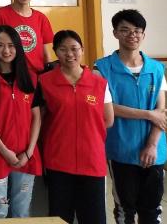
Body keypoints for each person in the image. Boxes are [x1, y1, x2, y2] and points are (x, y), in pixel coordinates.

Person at [95, 10, 167, 224]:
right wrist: (147, 114)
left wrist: (152, 146)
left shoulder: (156, 69)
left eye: (137, 31)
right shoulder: (102, 68)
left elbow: (161, 112)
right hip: (121, 150)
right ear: (115, 33)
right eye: (125, 30)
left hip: (154, 151)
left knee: (152, 210)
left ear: (143, 34)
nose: (132, 35)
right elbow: (105, 108)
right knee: (124, 210)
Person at [40, 30, 114, 224]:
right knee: (60, 217)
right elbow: (39, 119)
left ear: (82, 50)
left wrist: (88, 134)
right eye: (63, 49)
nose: (69, 54)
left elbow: (108, 119)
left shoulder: (99, 83)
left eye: (74, 48)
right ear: (55, 52)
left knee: (93, 217)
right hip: (58, 160)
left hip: (92, 161)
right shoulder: (45, 82)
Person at [0, 25, 43, 218]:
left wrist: (29, 152)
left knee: (21, 211)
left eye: (11, 45)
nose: (6, 51)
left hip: (25, 156)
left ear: (18, 47)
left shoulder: (31, 78)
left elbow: (37, 116)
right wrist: (4, 151)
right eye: (0, 45)